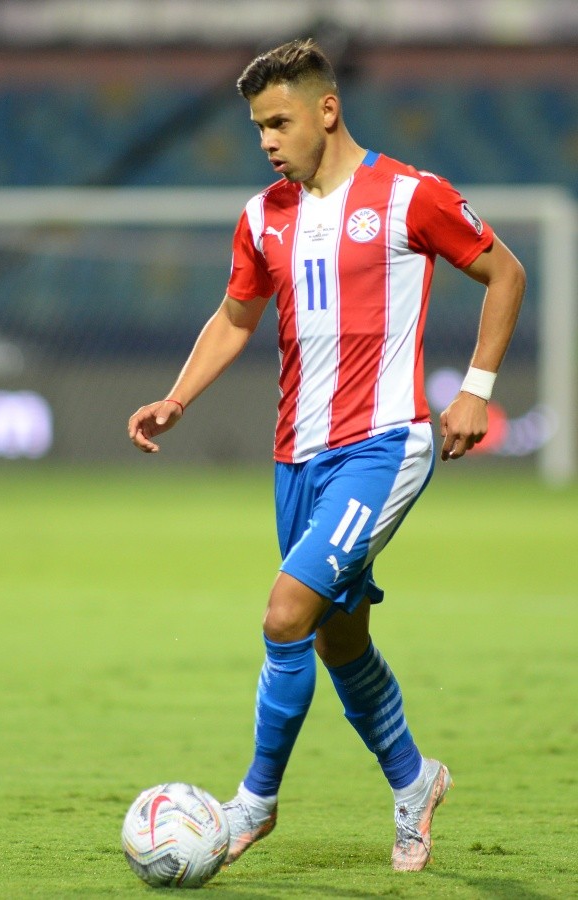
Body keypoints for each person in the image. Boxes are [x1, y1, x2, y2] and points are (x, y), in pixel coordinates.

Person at [128, 38, 525, 873]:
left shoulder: (410, 195)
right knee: (341, 639)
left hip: (384, 445)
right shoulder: (262, 215)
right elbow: (236, 318)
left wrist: (477, 388)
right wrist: (177, 396)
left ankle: (254, 804)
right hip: (296, 458)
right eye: (257, 128)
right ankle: (415, 784)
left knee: (284, 615)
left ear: (327, 111)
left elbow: (506, 272)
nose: (267, 140)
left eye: (279, 122)